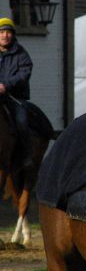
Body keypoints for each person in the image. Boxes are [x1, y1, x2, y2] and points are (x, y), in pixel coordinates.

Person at [0, 17, 33, 169]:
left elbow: (24, 74)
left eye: (8, 32)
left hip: (15, 98)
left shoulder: (21, 54)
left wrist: (6, 85)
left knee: (21, 122)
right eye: (2, 32)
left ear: (13, 35)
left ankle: (27, 156)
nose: (5, 35)